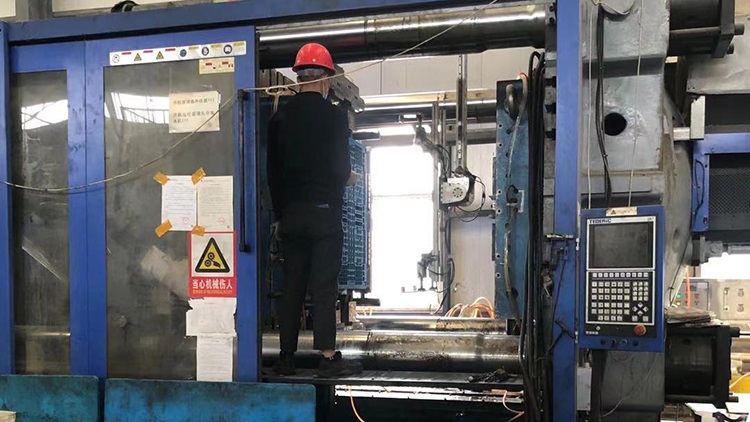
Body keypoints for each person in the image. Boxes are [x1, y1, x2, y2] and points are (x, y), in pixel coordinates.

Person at [267, 43, 363, 377]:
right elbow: (341, 168)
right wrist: (341, 185)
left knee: (292, 285)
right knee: (323, 286)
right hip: (324, 215)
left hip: (291, 215)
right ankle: (327, 358)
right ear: (325, 79)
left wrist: (280, 215)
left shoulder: (280, 118)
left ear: (299, 78)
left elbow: (273, 173)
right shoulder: (334, 117)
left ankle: (286, 357)